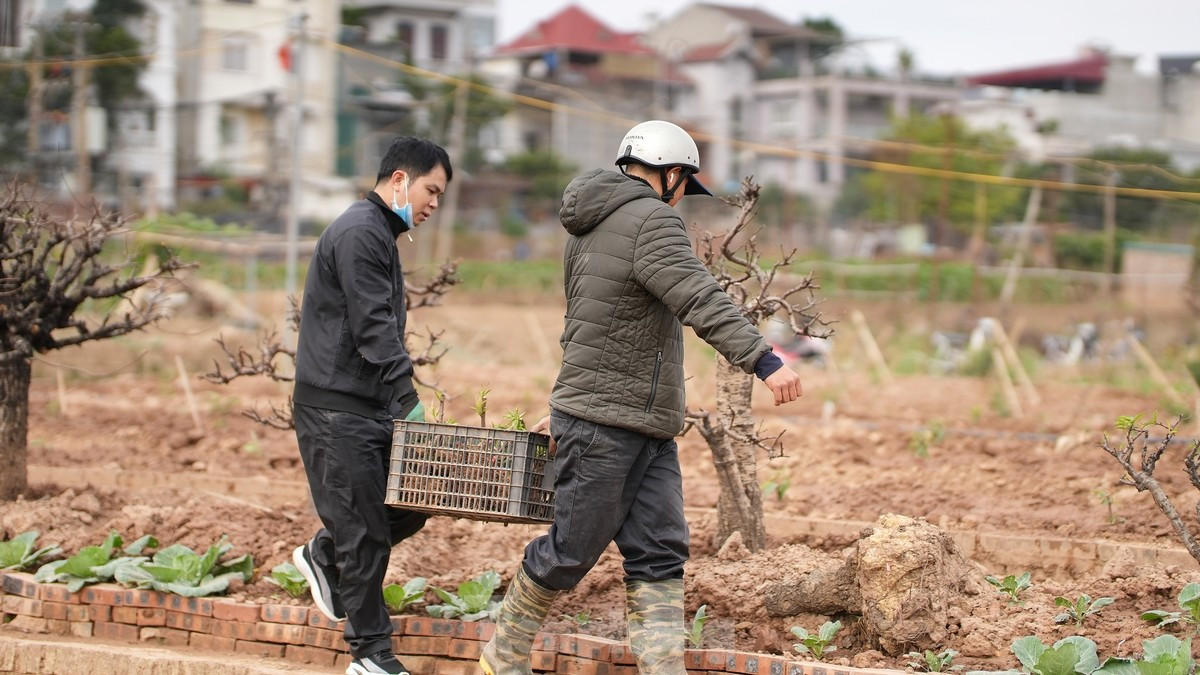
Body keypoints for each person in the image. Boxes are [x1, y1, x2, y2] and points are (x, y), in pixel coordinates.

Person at [480, 120, 803, 675]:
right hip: (604, 421)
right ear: (670, 174)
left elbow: (594, 319)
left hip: (643, 423)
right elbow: (699, 296)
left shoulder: (590, 227)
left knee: (659, 551)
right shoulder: (650, 221)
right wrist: (764, 360)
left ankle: (662, 669)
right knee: (570, 551)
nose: (682, 199)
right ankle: (501, 657)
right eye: (683, 185)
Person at [290, 136, 452, 675]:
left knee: (410, 501)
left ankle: (325, 554)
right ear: (400, 179)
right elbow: (373, 326)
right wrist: (409, 401)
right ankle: (371, 656)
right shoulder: (362, 231)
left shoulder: (378, 233)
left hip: (366, 406)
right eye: (431, 189)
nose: (433, 204)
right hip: (337, 409)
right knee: (362, 530)